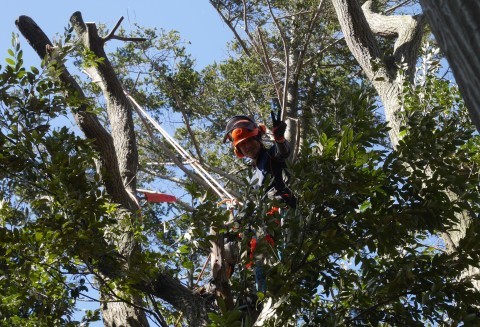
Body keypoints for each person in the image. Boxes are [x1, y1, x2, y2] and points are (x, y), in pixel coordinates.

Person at [223, 107, 296, 294]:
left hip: (279, 210)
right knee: (253, 259)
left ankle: (272, 289)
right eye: (242, 145)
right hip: (262, 221)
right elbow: (250, 207)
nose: (247, 146)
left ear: (257, 139)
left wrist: (279, 138)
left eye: (249, 141)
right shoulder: (254, 177)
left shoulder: (270, 154)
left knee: (275, 257)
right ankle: (258, 295)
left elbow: (283, 153)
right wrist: (235, 220)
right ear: (238, 150)